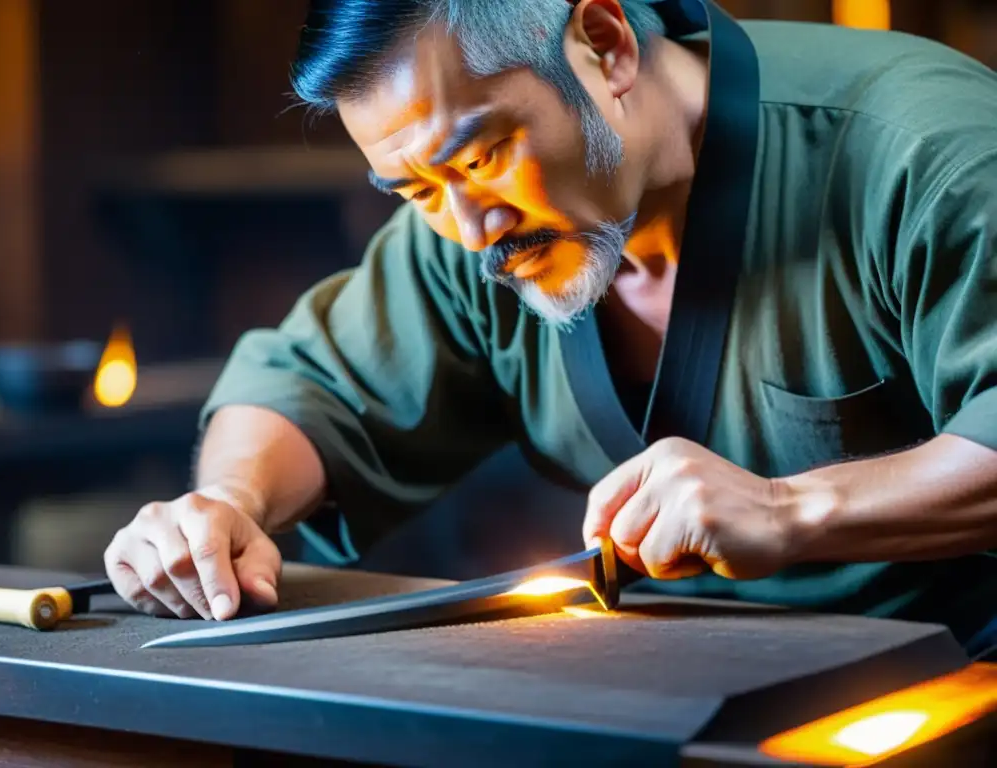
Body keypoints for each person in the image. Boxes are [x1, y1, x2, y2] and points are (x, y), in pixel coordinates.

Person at [103, 0, 997, 655]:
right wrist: (226, 504)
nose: (470, 229)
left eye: (483, 155)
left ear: (603, 44)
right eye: (415, 190)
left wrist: (786, 506)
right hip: (695, 691)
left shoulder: (922, 151)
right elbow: (312, 382)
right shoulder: (474, 225)